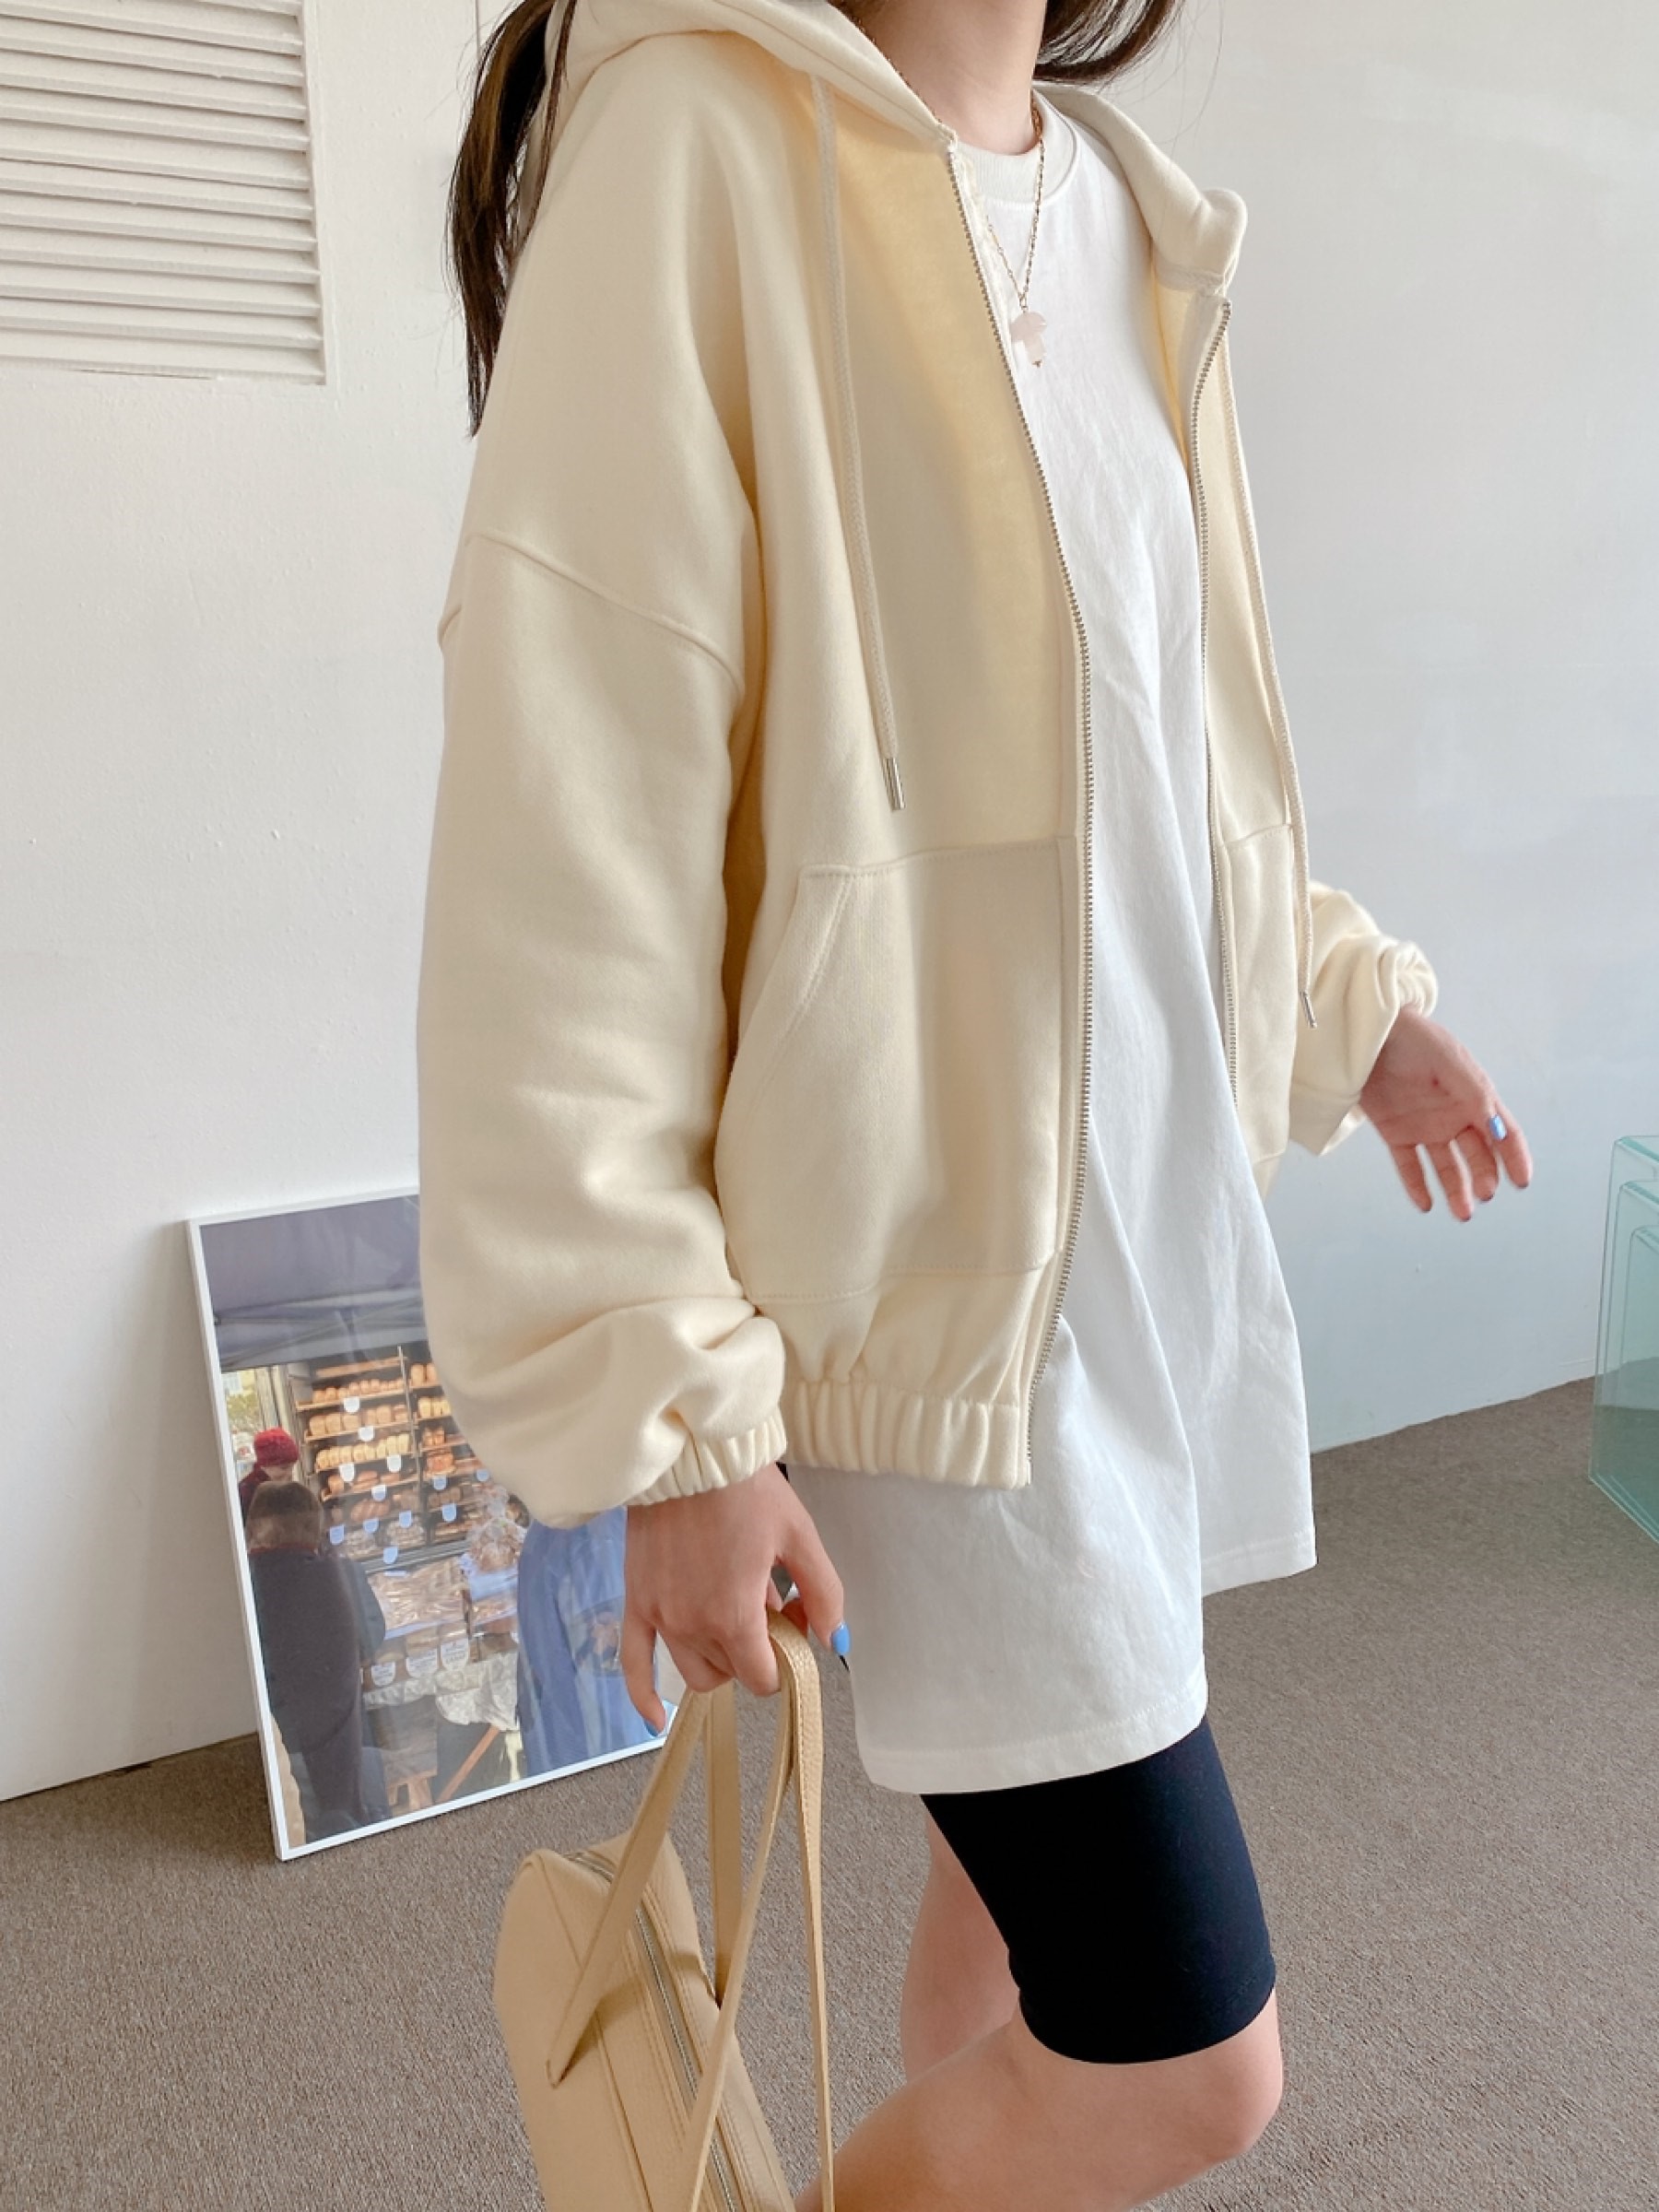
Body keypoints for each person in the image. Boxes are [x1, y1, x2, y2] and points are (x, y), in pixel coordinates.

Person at [418, 3, 1535, 2206]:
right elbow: (577, 835)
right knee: (1183, 2057)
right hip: (911, 1286)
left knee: (1020, 1949)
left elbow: (1157, 744)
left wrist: (1338, 1004)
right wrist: (672, 1412)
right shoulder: (696, 148)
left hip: (1133, 1257)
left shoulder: (1123, 207)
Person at [245, 1480, 383, 1841]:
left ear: (255, 1529)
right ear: (316, 1526)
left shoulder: (247, 1584)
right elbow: (372, 1638)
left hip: (279, 1745)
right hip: (338, 1742)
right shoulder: (339, 1575)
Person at [238, 1425, 299, 1523]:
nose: (290, 1473)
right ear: (264, 1465)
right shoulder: (247, 1493)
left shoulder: (286, 1488)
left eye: (292, 1467)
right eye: (284, 1468)